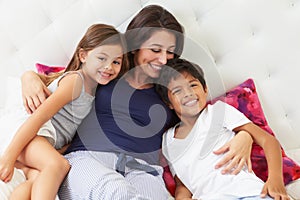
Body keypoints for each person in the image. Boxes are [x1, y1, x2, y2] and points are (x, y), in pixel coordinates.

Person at [20, 5, 254, 200]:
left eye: (170, 52)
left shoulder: (172, 93)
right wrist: (29, 78)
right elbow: (63, 78)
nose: (163, 59)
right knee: (117, 192)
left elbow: (205, 122)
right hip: (88, 158)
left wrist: (245, 135)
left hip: (142, 170)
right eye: (155, 49)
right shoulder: (108, 70)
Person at [0, 23, 128, 200]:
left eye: (116, 62)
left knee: (34, 181)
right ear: (83, 56)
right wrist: (8, 156)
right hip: (30, 135)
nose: (109, 67)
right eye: (102, 58)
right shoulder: (76, 82)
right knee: (58, 165)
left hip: (41, 142)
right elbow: (39, 117)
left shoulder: (95, 93)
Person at [156, 58, 289, 200]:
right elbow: (182, 185)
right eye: (177, 90)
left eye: (193, 85)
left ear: (205, 89)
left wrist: (275, 180)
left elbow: (268, 140)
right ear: (168, 103)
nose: (188, 93)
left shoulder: (218, 112)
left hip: (248, 192)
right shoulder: (168, 140)